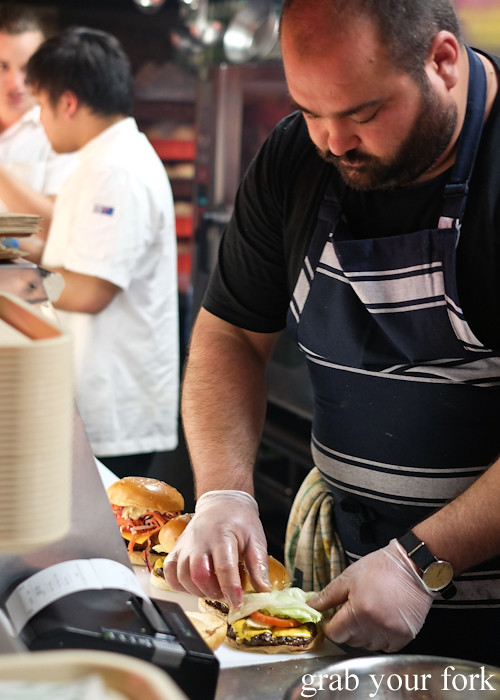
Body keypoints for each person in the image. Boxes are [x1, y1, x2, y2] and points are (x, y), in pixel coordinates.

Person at [164, 0, 500, 664]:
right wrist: (225, 492)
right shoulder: (298, 156)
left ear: (443, 61)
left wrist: (421, 561)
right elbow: (230, 333)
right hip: (348, 579)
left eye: (363, 113)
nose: (333, 142)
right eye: (311, 111)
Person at [25, 27, 179, 477]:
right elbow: (72, 261)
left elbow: (90, 290)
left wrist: (16, 283)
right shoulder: (98, 163)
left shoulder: (119, 170)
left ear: (67, 102)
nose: (40, 118)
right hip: (93, 396)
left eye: (40, 105)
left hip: (115, 408)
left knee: (111, 542)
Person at [0, 4, 75, 241]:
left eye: (27, 68)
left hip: (35, 276)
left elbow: (58, 229)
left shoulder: (61, 130)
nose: (16, 84)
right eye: (2, 67)